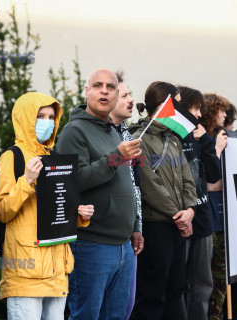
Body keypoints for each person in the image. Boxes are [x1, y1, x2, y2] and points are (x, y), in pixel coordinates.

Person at [0, 92, 93, 320]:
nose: (47, 122)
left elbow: (58, 208)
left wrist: (79, 214)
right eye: (40, 116)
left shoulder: (55, 156)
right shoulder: (12, 156)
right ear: (25, 118)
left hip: (58, 269)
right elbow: (1, 211)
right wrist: (26, 180)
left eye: (51, 117)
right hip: (26, 271)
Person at [57, 69, 142, 320]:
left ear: (116, 95)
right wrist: (117, 157)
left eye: (110, 87)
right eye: (97, 85)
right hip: (91, 243)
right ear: (87, 92)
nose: (104, 90)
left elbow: (127, 185)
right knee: (87, 315)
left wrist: (135, 225)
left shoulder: (114, 132)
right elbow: (74, 181)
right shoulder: (75, 131)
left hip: (123, 245)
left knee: (115, 316)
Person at [130, 81, 197, 320]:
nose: (182, 110)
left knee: (174, 291)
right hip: (156, 224)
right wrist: (177, 215)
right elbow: (149, 186)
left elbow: (188, 178)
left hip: (178, 224)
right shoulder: (140, 140)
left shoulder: (174, 139)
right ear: (163, 105)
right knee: (152, 295)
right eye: (177, 104)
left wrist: (189, 210)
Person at [176, 86, 224, 320]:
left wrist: (205, 141)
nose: (197, 113)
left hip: (203, 218)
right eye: (193, 108)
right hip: (179, 219)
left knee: (203, 283)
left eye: (199, 109)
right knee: (176, 284)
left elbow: (214, 174)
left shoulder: (199, 136)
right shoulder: (170, 137)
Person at [200, 93, 237, 320]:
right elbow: (205, 180)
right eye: (221, 110)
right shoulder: (199, 139)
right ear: (211, 111)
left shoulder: (223, 136)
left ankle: (216, 315)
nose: (225, 115)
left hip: (225, 214)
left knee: (221, 275)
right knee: (202, 277)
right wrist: (216, 149)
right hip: (206, 213)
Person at [109, 72, 144, 320]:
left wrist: (136, 225)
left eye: (130, 94)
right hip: (102, 237)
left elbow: (134, 187)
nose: (131, 99)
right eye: (125, 95)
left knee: (125, 306)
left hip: (127, 234)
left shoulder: (127, 135)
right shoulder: (95, 135)